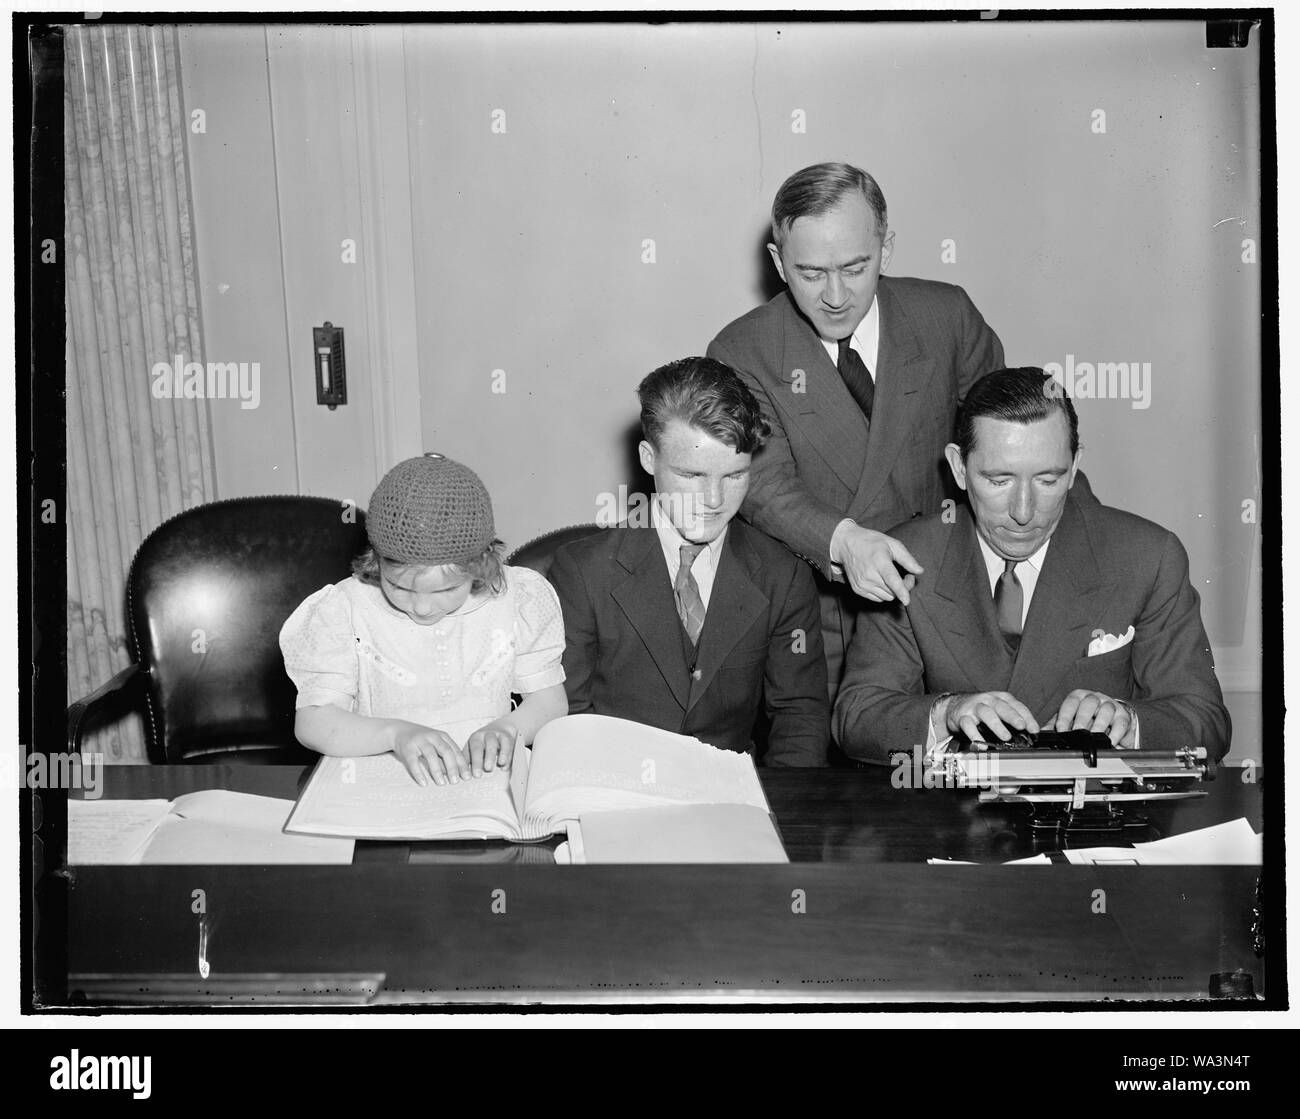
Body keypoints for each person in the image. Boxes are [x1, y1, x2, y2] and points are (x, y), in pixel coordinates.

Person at [707, 161, 1006, 695]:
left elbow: (1008, 442)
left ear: (886, 249)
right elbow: (766, 486)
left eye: (855, 266)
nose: (837, 296)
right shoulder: (739, 351)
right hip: (822, 623)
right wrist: (842, 541)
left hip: (950, 601)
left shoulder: (947, 316)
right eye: (811, 273)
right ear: (778, 262)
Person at [832, 368, 1231, 764]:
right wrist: (947, 714)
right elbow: (857, 718)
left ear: (1075, 466)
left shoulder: (1148, 556)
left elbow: (1207, 724)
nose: (1023, 513)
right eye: (999, 480)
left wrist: (1128, 721)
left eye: (1048, 480)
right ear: (958, 468)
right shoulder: (909, 557)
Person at [549, 357, 829, 766]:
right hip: (615, 798)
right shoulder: (583, 571)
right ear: (648, 459)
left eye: (734, 476)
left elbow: (799, 719)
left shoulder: (782, 575)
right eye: (693, 476)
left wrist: (774, 813)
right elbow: (568, 722)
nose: (714, 501)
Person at [280, 454, 568, 785]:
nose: (422, 608)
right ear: (376, 561)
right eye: (399, 586)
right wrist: (394, 734)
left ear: (481, 566)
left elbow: (549, 702)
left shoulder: (517, 598)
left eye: (446, 590)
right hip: (382, 782)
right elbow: (313, 722)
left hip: (487, 782)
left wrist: (508, 728)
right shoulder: (345, 608)